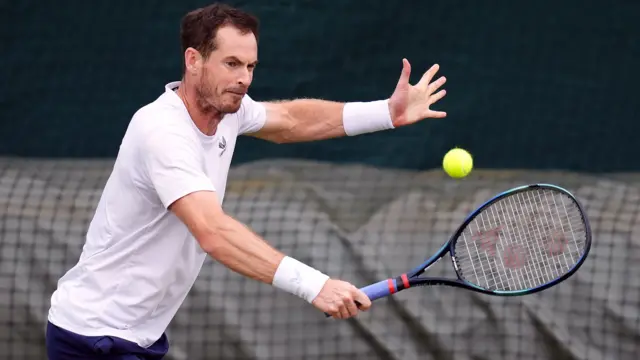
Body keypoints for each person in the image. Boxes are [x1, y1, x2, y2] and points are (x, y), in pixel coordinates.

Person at [45, 2, 447, 359]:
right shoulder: (161, 131)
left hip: (139, 336)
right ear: (193, 60)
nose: (244, 78)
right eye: (232, 63)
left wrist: (385, 114)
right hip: (93, 337)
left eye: (251, 66)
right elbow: (213, 232)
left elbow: (290, 121)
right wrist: (315, 285)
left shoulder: (229, 110)